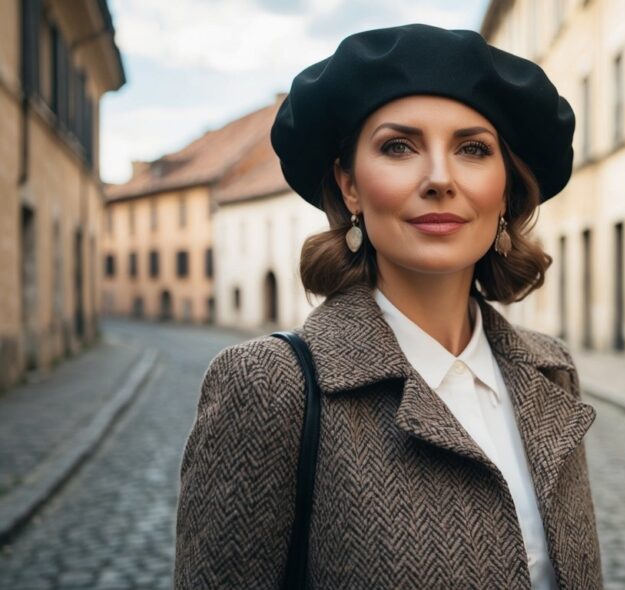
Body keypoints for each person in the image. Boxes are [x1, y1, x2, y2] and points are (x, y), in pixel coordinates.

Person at [173, 23, 602, 589]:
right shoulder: (269, 388)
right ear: (350, 186)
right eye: (398, 147)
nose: (440, 179)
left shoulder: (550, 372)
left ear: (505, 190)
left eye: (473, 149)